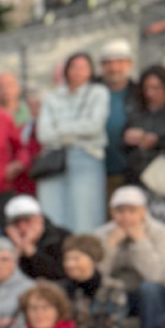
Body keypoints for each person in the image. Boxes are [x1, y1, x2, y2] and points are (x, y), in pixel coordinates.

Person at [38, 53, 112, 232]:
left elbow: (94, 126)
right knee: (53, 215)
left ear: (90, 71)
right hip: (54, 160)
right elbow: (43, 134)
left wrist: (60, 128)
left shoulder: (98, 93)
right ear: (66, 70)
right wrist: (75, 133)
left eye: (83, 67)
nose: (78, 72)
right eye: (74, 67)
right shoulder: (51, 97)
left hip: (87, 156)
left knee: (86, 217)